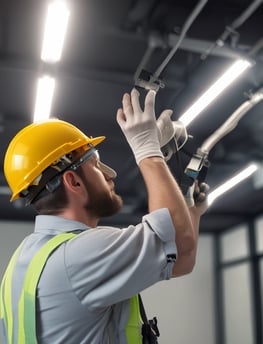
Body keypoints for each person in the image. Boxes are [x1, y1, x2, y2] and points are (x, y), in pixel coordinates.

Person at [0, 88, 209, 344]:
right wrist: (147, 150)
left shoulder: (24, 258)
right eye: (96, 165)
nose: (111, 175)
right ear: (73, 181)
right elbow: (179, 246)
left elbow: (180, 260)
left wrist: (191, 210)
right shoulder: (79, 254)